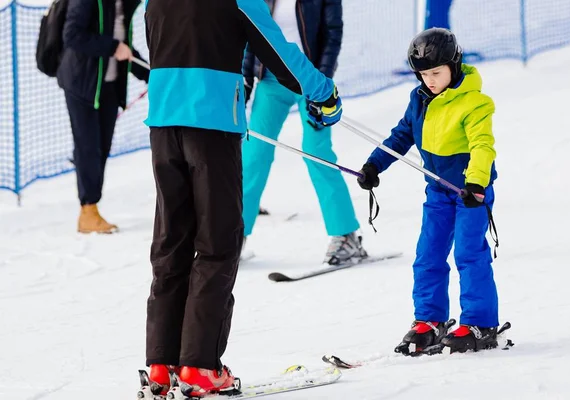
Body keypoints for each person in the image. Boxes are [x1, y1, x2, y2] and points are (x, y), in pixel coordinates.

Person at [142, 0, 343, 396]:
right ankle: (200, 366)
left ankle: (163, 364)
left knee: (172, 244)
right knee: (217, 244)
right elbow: (279, 53)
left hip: (164, 125)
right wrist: (325, 91)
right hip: (211, 128)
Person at [357, 28, 500, 354]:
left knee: (468, 254)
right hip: (438, 192)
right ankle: (430, 320)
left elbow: (482, 146)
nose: (430, 80)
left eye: (436, 73)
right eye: (423, 75)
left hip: (470, 194)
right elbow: (400, 137)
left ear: (454, 64)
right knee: (428, 255)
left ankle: (480, 323)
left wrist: (475, 183)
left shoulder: (475, 103)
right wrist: (373, 166)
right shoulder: (419, 99)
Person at [242, 0, 367, 265]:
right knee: (253, 155)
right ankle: (234, 233)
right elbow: (249, 31)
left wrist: (321, 85)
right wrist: (244, 79)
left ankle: (346, 235)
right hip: (269, 80)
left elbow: (333, 35)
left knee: (316, 152)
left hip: (310, 79)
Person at [57, 0, 149, 234]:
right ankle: (88, 210)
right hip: (82, 85)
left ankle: (91, 207)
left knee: (102, 147)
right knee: (88, 147)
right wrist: (112, 47)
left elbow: (125, 49)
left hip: (107, 87)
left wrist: (151, 73)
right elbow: (72, 34)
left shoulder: (124, 5)